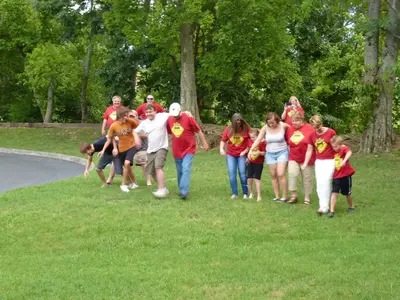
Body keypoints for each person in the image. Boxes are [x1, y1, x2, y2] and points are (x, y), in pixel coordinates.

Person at [167, 102, 209, 200]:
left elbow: (198, 131)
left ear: (180, 111)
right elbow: (169, 131)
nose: (175, 117)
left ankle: (184, 192)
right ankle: (182, 188)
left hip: (189, 149)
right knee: (180, 171)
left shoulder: (188, 118)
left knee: (185, 168)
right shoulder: (169, 119)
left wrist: (205, 143)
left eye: (177, 115)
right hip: (176, 150)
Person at [99, 107, 141, 193]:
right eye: (124, 116)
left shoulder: (130, 121)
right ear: (119, 116)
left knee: (127, 163)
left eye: (127, 116)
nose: (126, 118)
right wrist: (107, 149)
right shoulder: (114, 126)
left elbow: (140, 126)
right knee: (127, 167)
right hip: (122, 148)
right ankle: (134, 183)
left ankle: (123, 184)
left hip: (131, 145)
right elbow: (110, 138)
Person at [134, 103, 171, 198]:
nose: (149, 114)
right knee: (151, 171)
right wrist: (137, 138)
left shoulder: (162, 116)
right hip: (151, 149)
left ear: (155, 111)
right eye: (147, 112)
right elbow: (135, 131)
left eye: (150, 111)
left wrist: (186, 113)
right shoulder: (145, 123)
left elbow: (175, 113)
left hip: (162, 147)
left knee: (158, 166)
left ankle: (161, 189)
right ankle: (162, 188)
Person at [302, 115, 336, 215]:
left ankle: (324, 207)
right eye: (315, 127)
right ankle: (323, 206)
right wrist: (305, 163)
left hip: (330, 161)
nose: (318, 129)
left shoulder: (331, 132)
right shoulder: (311, 135)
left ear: (321, 123)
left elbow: (336, 145)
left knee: (325, 182)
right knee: (320, 185)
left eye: (319, 125)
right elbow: (309, 150)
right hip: (319, 161)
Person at [285, 111, 316, 205]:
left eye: (296, 121)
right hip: (293, 156)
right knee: (292, 174)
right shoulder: (290, 129)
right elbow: (288, 142)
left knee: (307, 177)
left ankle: (307, 197)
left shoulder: (309, 128)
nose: (294, 123)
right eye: (293, 121)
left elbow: (315, 141)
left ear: (302, 120)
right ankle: (294, 195)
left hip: (307, 157)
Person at [220, 113, 251, 199]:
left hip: (242, 154)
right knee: (232, 174)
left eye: (240, 121)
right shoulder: (228, 129)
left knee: (242, 173)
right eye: (236, 121)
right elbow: (223, 140)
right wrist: (221, 149)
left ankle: (245, 193)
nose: (238, 122)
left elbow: (251, 141)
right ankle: (235, 193)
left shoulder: (246, 129)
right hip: (231, 154)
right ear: (233, 121)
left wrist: (246, 151)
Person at [328, 136, 355, 218]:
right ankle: (332, 211)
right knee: (334, 192)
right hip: (336, 176)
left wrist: (344, 160)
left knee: (347, 193)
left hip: (345, 176)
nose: (334, 148)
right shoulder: (333, 152)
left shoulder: (344, 149)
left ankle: (351, 206)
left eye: (336, 146)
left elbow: (349, 152)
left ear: (341, 145)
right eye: (333, 147)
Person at [128, 109, 152, 186]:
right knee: (125, 162)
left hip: (142, 148)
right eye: (129, 116)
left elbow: (146, 135)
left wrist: (135, 134)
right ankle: (131, 181)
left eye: (133, 116)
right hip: (129, 148)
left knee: (143, 162)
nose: (131, 117)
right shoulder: (126, 124)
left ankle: (148, 181)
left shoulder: (142, 124)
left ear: (137, 116)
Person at [246, 128, 266, 202]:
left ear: (258, 136)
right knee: (249, 179)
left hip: (259, 163)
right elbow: (248, 150)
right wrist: (247, 158)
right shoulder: (249, 141)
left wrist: (259, 153)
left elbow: (264, 153)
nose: (252, 139)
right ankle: (251, 193)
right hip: (250, 162)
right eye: (251, 137)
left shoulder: (262, 143)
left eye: (253, 137)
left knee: (257, 179)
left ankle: (259, 196)